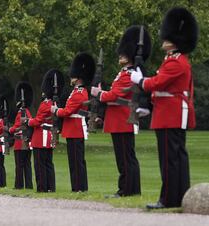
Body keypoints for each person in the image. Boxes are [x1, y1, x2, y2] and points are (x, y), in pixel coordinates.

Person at [130, 8, 197, 209]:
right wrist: (148, 106)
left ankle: (167, 199)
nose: (163, 39)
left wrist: (140, 80)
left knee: (170, 159)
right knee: (176, 158)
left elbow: (158, 83)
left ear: (174, 40)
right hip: (168, 112)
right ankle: (178, 196)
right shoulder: (173, 60)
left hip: (171, 114)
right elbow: (162, 87)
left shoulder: (177, 63)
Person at [92, 25, 149, 198]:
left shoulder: (129, 74)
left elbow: (115, 95)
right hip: (117, 120)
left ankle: (128, 190)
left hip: (123, 120)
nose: (120, 55)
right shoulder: (123, 73)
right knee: (123, 158)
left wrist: (98, 93)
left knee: (126, 158)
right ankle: (127, 189)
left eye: (123, 53)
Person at [54, 53, 94, 192]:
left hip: (75, 129)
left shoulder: (79, 93)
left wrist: (55, 111)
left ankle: (79, 188)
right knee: (75, 161)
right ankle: (78, 187)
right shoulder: (77, 91)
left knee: (77, 162)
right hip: (73, 129)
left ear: (78, 78)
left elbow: (67, 111)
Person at [29, 69, 62, 192]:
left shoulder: (45, 104)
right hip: (50, 136)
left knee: (39, 164)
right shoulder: (54, 103)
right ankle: (51, 187)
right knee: (48, 163)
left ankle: (42, 187)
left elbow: (37, 121)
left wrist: (28, 121)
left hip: (40, 137)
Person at [10, 82, 34, 190]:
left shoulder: (21, 112)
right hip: (26, 142)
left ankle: (19, 185)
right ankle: (28, 185)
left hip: (20, 143)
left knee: (19, 166)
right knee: (27, 165)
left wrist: (10, 129)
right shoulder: (27, 111)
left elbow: (17, 127)